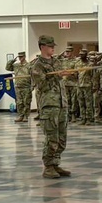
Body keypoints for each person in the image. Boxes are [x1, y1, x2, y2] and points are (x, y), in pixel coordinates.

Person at [31, 36, 73, 179]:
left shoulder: (56, 62)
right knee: (51, 137)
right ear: (42, 47)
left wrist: (63, 75)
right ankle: (48, 166)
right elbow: (41, 85)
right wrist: (54, 76)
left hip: (62, 103)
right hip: (49, 105)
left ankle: (55, 163)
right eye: (50, 46)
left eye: (53, 46)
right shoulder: (38, 65)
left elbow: (61, 79)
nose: (52, 48)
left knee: (62, 137)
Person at [7, 52, 33, 123]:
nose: (20, 58)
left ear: (24, 57)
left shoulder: (29, 65)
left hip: (26, 86)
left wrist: (32, 86)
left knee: (26, 102)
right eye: (19, 57)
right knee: (19, 102)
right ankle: (20, 115)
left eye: (21, 57)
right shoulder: (16, 65)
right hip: (18, 86)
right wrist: (12, 60)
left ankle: (26, 116)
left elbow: (33, 76)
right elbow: (7, 67)